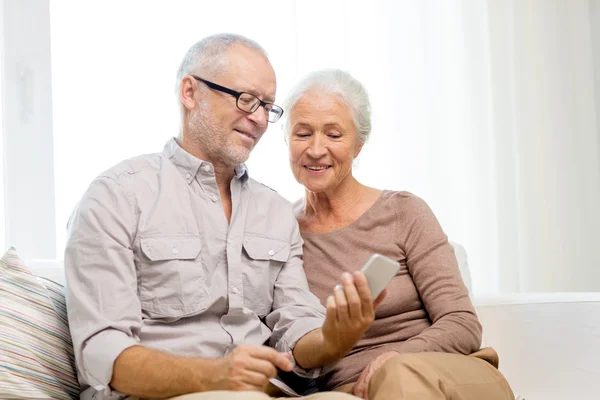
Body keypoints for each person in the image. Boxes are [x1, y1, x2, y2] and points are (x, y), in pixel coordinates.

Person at [65, 35, 383, 400]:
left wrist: (331, 338)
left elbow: (296, 326)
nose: (260, 119)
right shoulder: (115, 196)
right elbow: (102, 353)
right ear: (189, 93)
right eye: (246, 100)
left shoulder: (276, 212)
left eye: (267, 106)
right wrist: (214, 376)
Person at [284, 69, 515, 400]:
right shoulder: (281, 236)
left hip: (446, 373)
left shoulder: (403, 212)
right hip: (356, 388)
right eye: (302, 134)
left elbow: (462, 323)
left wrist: (393, 361)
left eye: (334, 135)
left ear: (358, 145)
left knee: (398, 376)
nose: (316, 149)